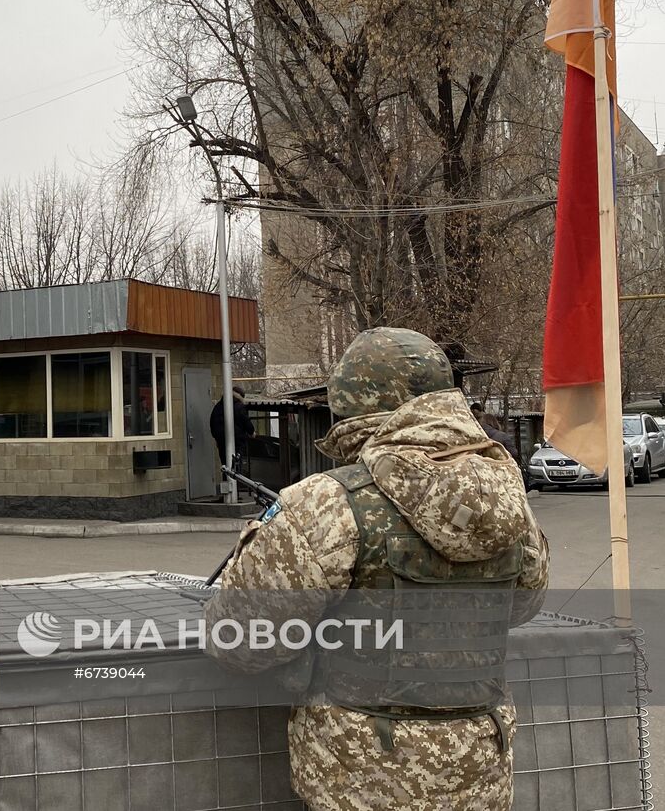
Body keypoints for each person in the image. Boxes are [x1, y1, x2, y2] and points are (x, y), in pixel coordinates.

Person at [204, 328, 549, 811]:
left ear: (349, 405)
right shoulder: (507, 496)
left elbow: (239, 640)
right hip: (480, 775)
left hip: (360, 781)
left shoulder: (325, 504)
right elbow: (523, 604)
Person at [209, 386, 256, 473]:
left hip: (221, 441)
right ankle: (234, 482)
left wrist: (216, 437)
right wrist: (252, 432)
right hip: (236, 440)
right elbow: (246, 421)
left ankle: (227, 481)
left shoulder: (217, 407)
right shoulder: (239, 406)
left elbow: (212, 423)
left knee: (225, 465)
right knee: (236, 466)